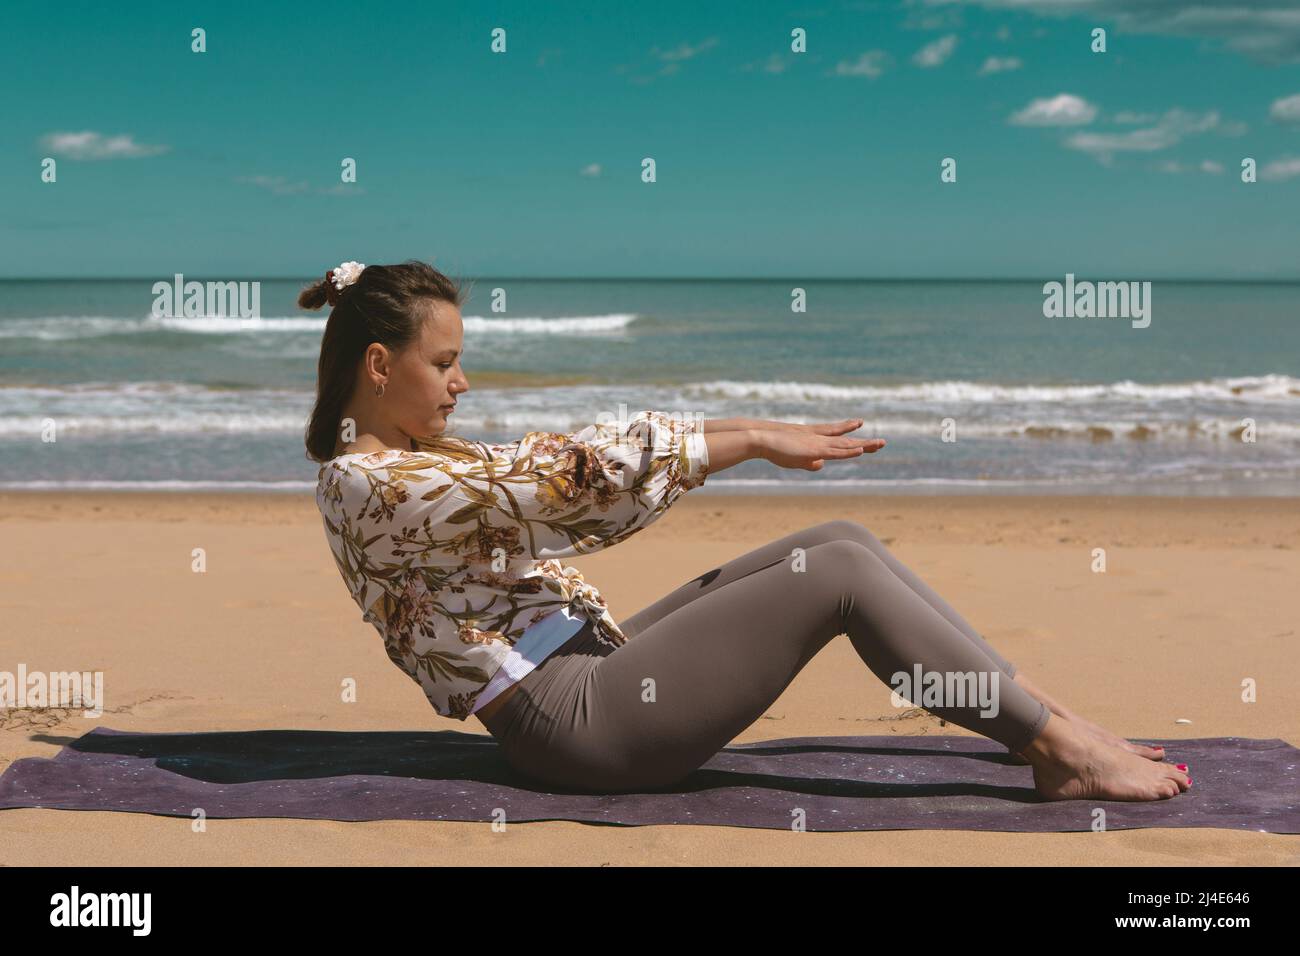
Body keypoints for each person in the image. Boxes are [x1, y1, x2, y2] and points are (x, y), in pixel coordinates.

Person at [304, 259, 1192, 802]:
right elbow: (567, 480)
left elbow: (552, 476)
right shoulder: (364, 484)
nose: (462, 383)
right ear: (380, 365)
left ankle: (1042, 715)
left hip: (589, 669)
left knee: (836, 539)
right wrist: (752, 439)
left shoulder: (423, 463)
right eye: (446, 362)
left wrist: (747, 435)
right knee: (835, 579)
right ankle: (1058, 752)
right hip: (572, 725)